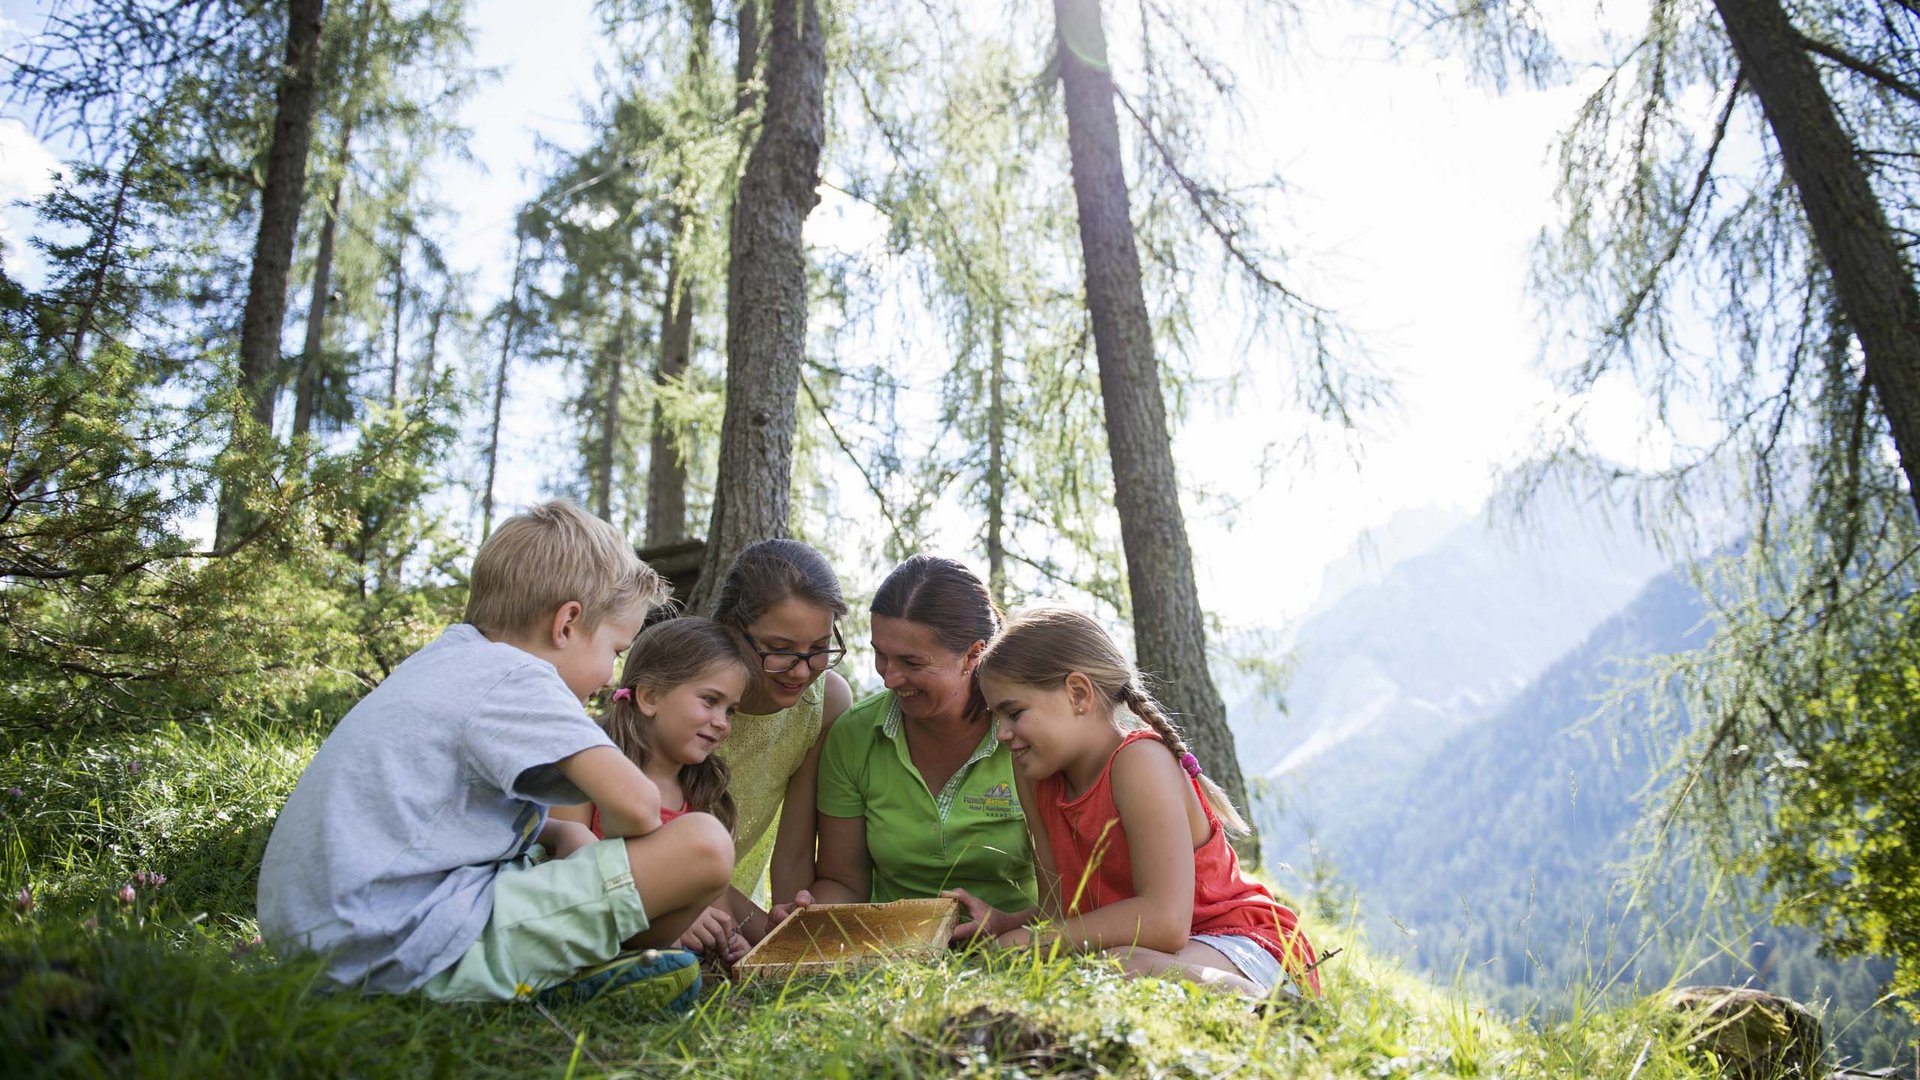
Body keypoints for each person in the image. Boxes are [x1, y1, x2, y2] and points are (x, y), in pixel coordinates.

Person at [256, 500, 734, 1009]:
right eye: (615, 652)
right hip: (401, 946)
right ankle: (590, 970)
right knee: (703, 844)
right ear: (566, 624)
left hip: (333, 934)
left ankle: (587, 962)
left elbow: (459, 815)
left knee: (556, 843)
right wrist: (628, 866)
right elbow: (637, 805)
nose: (610, 678)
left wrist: (562, 830)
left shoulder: (449, 659)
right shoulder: (518, 677)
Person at [947, 606, 1320, 999]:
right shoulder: (1035, 777)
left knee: (1119, 965)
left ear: (1078, 694)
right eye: (996, 718)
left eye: (1014, 713)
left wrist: (1032, 942)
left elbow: (1165, 921)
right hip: (1160, 951)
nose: (1002, 734)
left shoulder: (1139, 762)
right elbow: (1062, 914)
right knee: (1090, 967)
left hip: (1242, 945)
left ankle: (1280, 1008)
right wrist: (1005, 924)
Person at [783, 556, 1036, 917]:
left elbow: (1070, 885)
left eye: (911, 663)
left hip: (1018, 941)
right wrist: (808, 915)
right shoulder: (855, 735)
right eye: (880, 655)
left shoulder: (1026, 734)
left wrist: (1008, 929)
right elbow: (844, 883)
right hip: (893, 952)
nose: (889, 678)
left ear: (972, 656)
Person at [551, 617, 762, 963]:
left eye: (731, 710)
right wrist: (670, 926)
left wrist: (726, 938)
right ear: (650, 697)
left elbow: (710, 900)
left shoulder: (701, 796)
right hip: (586, 933)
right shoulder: (591, 768)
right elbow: (564, 875)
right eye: (710, 701)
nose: (722, 722)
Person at [706, 540, 853, 907]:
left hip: (740, 907)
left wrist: (784, 937)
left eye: (819, 648)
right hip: (662, 892)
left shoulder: (825, 703)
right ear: (732, 629)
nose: (802, 671)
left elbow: (794, 852)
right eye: (781, 649)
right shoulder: (688, 690)